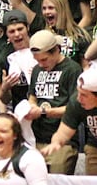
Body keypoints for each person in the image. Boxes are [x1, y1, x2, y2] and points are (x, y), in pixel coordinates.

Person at [24, 30, 83, 174]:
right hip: (37, 137)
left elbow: (74, 107)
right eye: (37, 60)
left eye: (44, 60)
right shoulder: (38, 70)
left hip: (63, 140)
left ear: (56, 51)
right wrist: (31, 106)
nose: (41, 64)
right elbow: (33, 96)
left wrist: (44, 112)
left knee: (58, 183)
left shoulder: (72, 69)